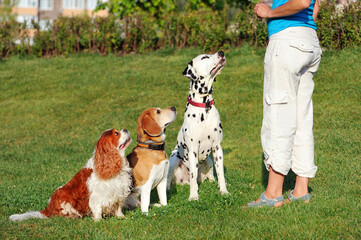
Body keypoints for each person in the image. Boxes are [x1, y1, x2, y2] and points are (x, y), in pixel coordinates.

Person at [247, 0, 322, 207]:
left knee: (280, 116)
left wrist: (269, 13)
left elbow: (302, 1)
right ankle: (300, 190)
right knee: (302, 118)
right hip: (309, 39)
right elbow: (314, 6)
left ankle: (273, 194)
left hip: (287, 41)